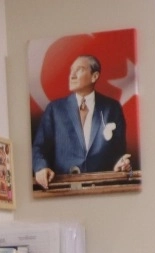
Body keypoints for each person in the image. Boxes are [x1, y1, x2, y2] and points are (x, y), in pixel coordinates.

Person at [32, 54, 132, 189]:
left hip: (102, 189)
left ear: (94, 76)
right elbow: (39, 147)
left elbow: (119, 153)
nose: (72, 76)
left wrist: (120, 164)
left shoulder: (112, 108)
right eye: (71, 70)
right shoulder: (55, 109)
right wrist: (40, 167)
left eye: (79, 69)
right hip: (64, 190)